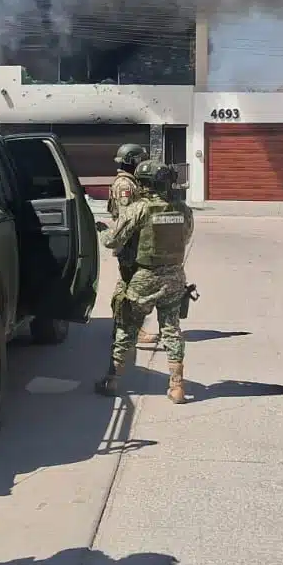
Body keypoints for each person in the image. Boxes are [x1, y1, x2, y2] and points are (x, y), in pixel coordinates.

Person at [97, 159, 194, 402]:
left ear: (145, 184)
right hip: (174, 277)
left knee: (126, 326)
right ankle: (177, 386)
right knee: (171, 329)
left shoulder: (139, 208)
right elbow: (187, 235)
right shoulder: (182, 209)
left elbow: (112, 240)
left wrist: (100, 230)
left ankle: (112, 380)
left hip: (144, 277)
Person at [106, 144, 156, 350]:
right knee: (131, 287)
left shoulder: (129, 182)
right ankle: (129, 329)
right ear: (133, 161)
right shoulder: (125, 185)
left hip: (132, 242)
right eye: (140, 160)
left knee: (127, 285)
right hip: (130, 243)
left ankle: (122, 326)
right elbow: (127, 217)